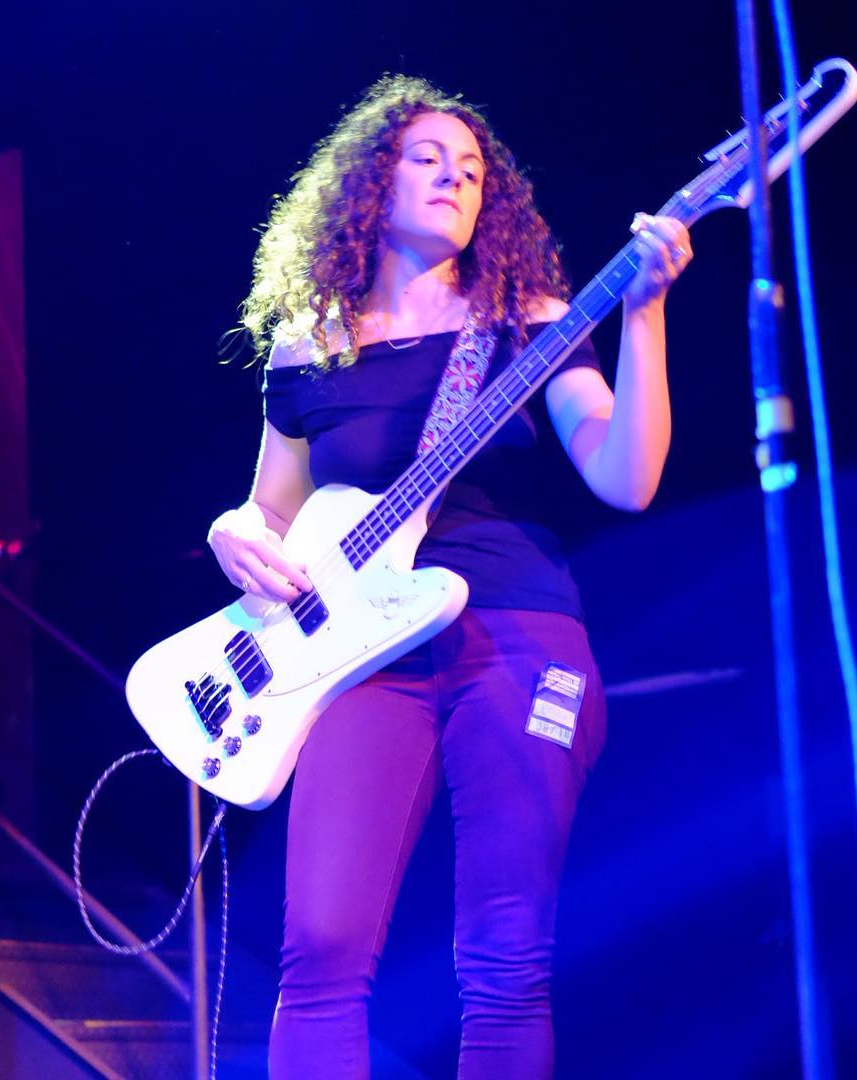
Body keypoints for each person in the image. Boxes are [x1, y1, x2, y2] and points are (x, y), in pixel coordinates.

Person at [206, 74, 692, 1079]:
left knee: (504, 957)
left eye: (472, 170)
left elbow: (627, 477)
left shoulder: (528, 317)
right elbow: (272, 512)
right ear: (370, 184)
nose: (454, 179)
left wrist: (644, 319)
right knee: (320, 950)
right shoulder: (309, 343)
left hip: (516, 634)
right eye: (427, 159)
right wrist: (231, 530)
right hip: (358, 660)